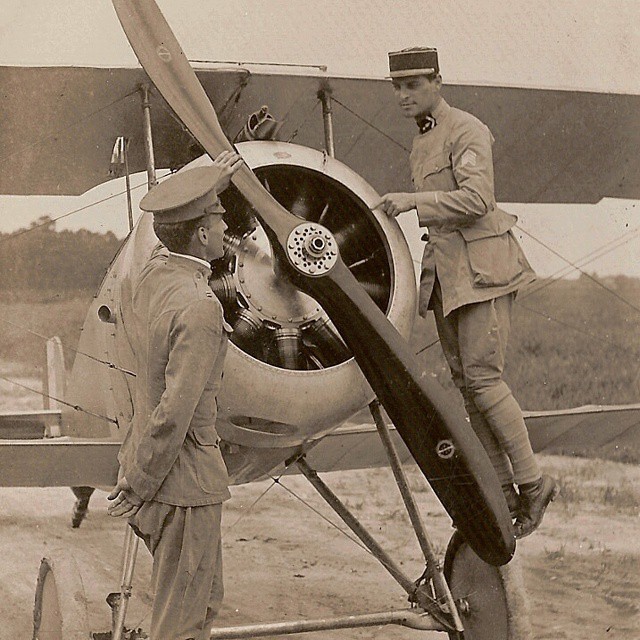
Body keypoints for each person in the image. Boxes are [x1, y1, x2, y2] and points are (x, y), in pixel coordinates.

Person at [377, 47, 558, 538]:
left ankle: (533, 481)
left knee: (483, 380)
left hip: (483, 277)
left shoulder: (467, 130)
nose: (402, 95)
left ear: (438, 81)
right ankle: (502, 490)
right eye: (397, 86)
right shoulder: (423, 142)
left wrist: (414, 201)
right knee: (467, 388)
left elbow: (479, 200)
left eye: (413, 84)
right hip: (450, 281)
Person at [107, 150, 243, 640]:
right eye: (220, 223)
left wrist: (215, 180)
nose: (228, 232)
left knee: (199, 608)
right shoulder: (201, 305)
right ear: (202, 234)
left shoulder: (152, 280)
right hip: (184, 485)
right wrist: (140, 482)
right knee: (181, 625)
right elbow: (175, 413)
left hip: (160, 479)